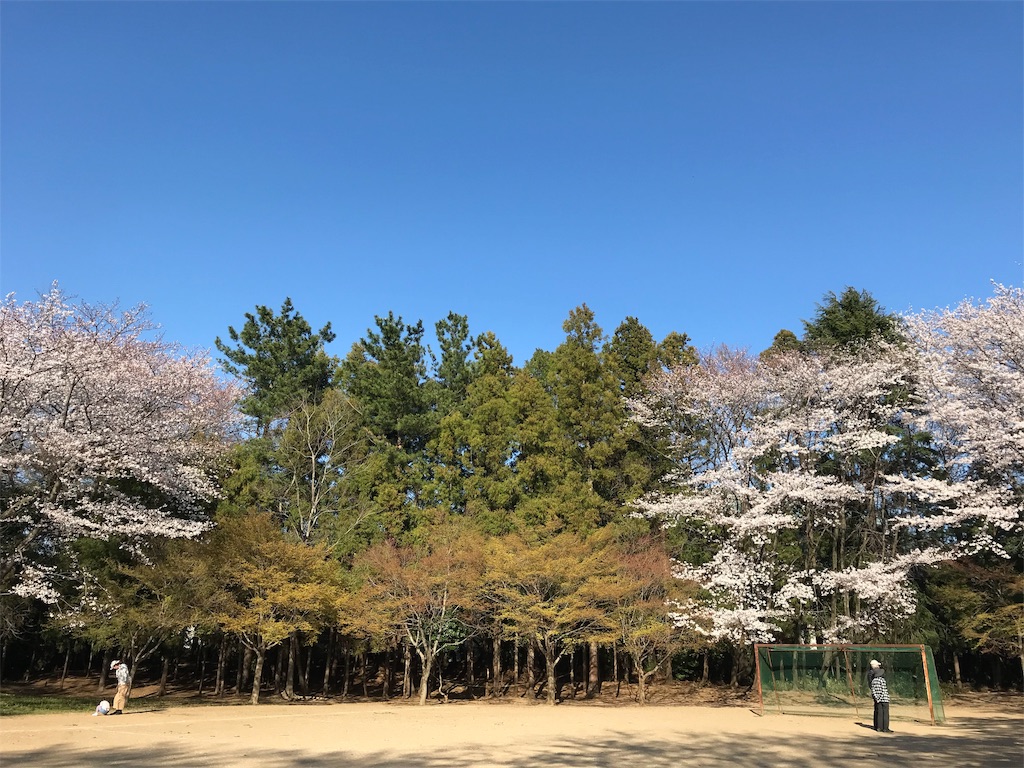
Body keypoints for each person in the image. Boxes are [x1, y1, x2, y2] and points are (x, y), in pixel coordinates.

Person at [868, 659, 892, 733]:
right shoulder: (882, 680)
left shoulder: (873, 681)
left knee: (879, 713)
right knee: (885, 713)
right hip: (884, 699)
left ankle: (879, 727)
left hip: (877, 698)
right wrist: (882, 697)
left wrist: (877, 698)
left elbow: (873, 690)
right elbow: (884, 690)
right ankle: (885, 728)